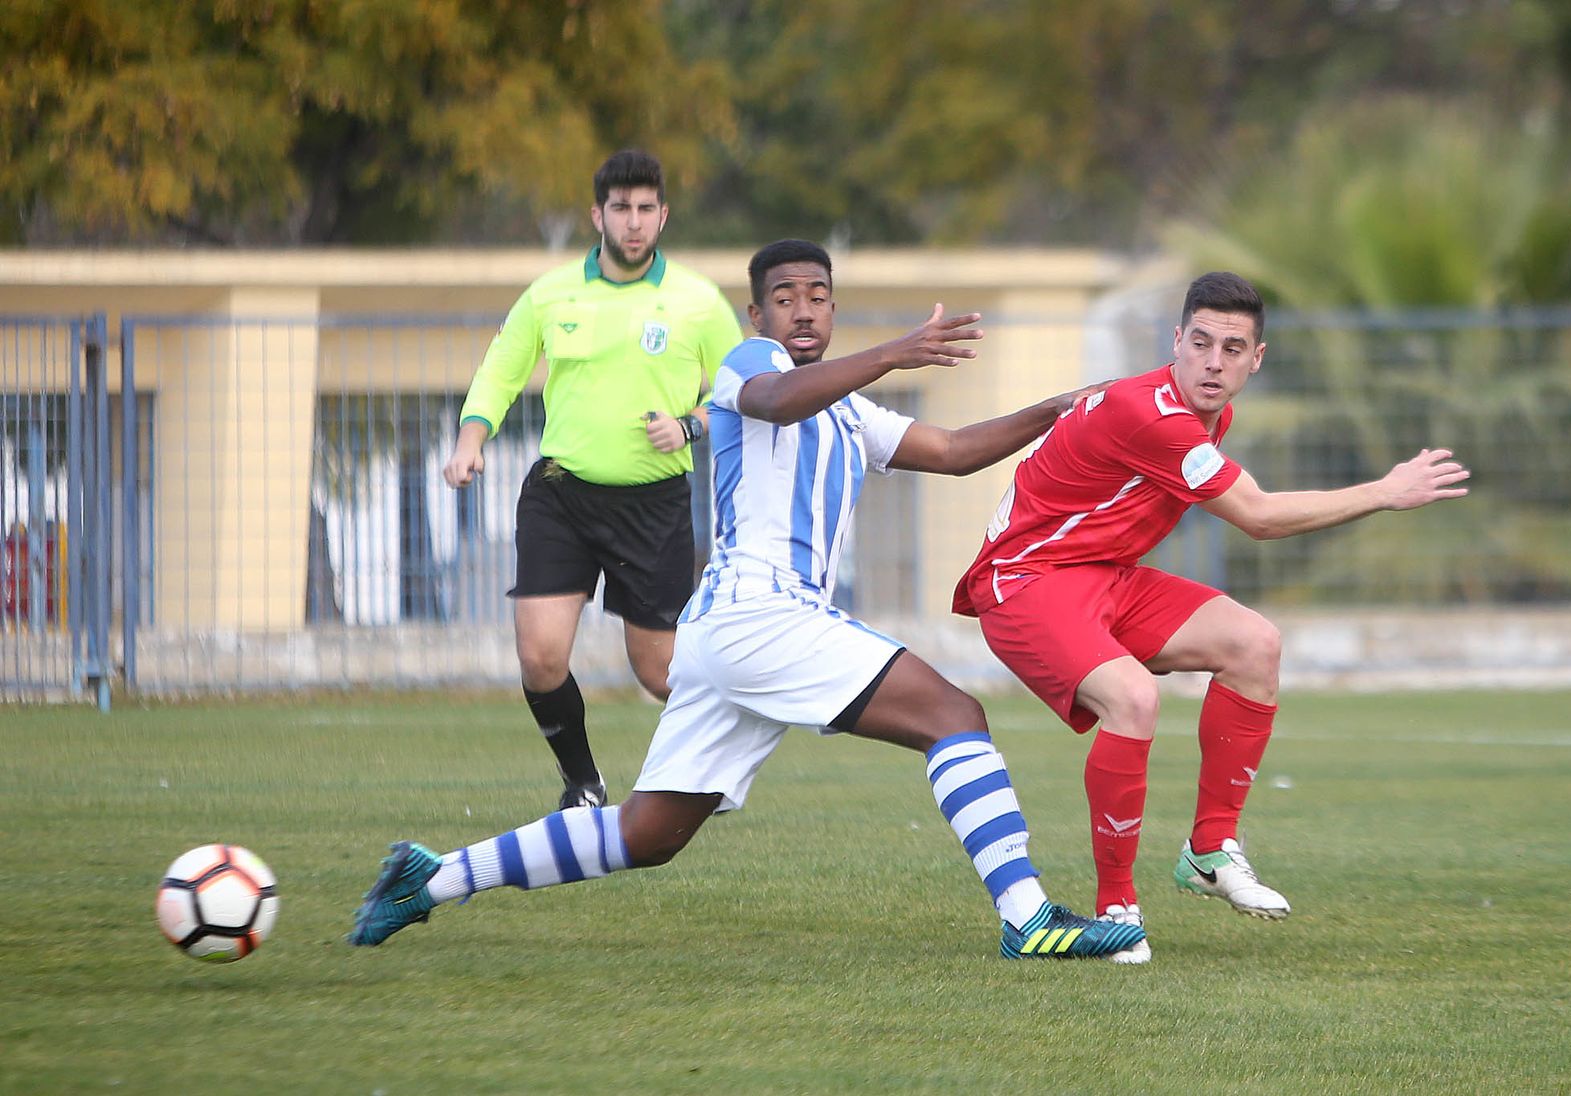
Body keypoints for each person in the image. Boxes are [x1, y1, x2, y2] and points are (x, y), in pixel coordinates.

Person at [349, 239, 1146, 961]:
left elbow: (954, 450)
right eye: (787, 295)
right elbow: (772, 401)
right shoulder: (745, 364)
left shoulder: (848, 409)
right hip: (763, 614)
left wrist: (1056, 410)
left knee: (647, 834)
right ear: (757, 312)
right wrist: (896, 352)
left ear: (834, 308)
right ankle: (1028, 915)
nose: (804, 309)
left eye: (819, 294)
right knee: (955, 717)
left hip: (732, 632)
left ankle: (433, 878)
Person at [954, 271, 1471, 964]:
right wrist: (1384, 490)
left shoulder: (1207, 414)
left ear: (1256, 359)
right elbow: (1256, 517)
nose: (1213, 361)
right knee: (1134, 697)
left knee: (1254, 644)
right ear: (1176, 342)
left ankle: (1209, 850)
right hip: (1027, 583)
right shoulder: (1155, 415)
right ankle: (1116, 911)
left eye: (1232, 348)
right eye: (1200, 343)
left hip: (1102, 579)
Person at [443, 149, 743, 811]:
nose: (633, 222)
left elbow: (742, 395)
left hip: (656, 503)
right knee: (541, 658)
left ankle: (717, 765)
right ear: (597, 215)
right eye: (620, 209)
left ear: (662, 216)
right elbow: (500, 369)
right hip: (562, 495)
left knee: (660, 672)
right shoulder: (552, 294)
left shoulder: (697, 301)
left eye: (644, 209)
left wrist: (689, 426)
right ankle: (583, 783)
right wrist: (471, 439)